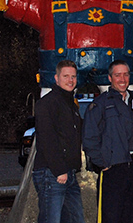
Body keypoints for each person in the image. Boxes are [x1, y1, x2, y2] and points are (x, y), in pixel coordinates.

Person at [82, 60, 133, 223]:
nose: (122, 79)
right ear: (110, 78)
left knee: (131, 218)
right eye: (118, 75)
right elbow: (89, 137)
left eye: (126, 74)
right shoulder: (101, 104)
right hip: (112, 170)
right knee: (110, 217)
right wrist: (102, 163)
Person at [32, 60, 85, 223]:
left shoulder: (71, 105)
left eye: (73, 77)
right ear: (56, 78)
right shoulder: (47, 104)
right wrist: (59, 169)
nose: (70, 80)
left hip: (69, 173)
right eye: (66, 76)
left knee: (76, 218)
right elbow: (47, 139)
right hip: (52, 174)